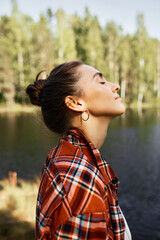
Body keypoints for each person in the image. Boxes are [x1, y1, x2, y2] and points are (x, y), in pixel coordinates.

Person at [26, 61, 132, 240]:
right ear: (75, 102)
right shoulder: (79, 181)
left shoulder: (69, 158)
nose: (116, 86)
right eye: (101, 82)